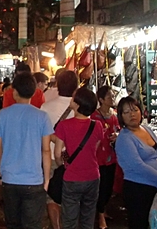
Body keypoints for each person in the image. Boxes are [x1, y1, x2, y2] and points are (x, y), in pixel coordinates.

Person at [0, 72, 53, 229]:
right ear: (33, 92)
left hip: (10, 179)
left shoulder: (3, 115)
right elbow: (46, 151)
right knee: (32, 225)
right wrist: (46, 179)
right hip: (34, 180)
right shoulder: (42, 116)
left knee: (13, 224)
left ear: (14, 92)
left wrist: (0, 171)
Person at [115, 97, 157, 229]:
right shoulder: (124, 138)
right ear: (121, 116)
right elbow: (137, 165)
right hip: (138, 189)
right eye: (126, 112)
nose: (132, 114)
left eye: (135, 110)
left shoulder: (147, 129)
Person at [54, 87, 104, 229]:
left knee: (69, 219)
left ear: (77, 104)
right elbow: (95, 148)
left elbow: (57, 153)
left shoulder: (64, 125)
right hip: (93, 176)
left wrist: (62, 164)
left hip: (72, 177)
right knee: (88, 217)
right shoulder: (97, 125)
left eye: (73, 98)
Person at [40, 69, 79, 229]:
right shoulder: (79, 108)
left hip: (50, 157)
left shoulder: (45, 107)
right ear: (76, 87)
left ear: (58, 85)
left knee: (51, 196)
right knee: (71, 196)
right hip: (73, 159)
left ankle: (56, 226)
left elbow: (41, 135)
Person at [91, 86, 120, 229]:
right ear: (101, 100)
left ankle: (103, 210)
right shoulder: (94, 116)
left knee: (109, 186)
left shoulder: (114, 115)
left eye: (113, 96)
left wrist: (117, 135)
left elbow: (118, 129)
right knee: (101, 186)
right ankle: (101, 215)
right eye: (109, 96)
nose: (112, 98)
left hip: (111, 155)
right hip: (98, 156)